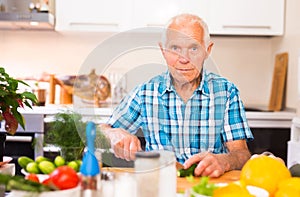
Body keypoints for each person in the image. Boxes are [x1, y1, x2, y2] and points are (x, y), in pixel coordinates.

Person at [100, 13, 254, 178]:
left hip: (208, 188)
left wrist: (225, 161)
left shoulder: (227, 92)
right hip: (159, 187)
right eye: (175, 48)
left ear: (207, 50)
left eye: (194, 48)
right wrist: (113, 134)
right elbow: (101, 130)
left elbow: (242, 154)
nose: (184, 59)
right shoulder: (145, 93)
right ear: (163, 51)